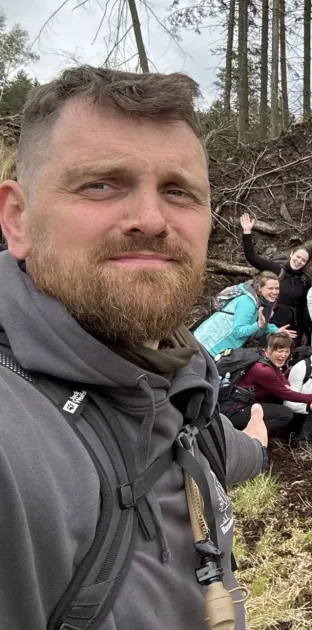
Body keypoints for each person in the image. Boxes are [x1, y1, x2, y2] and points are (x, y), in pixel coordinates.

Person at [0, 66, 266, 629]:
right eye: (101, 184)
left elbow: (195, 441)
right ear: (17, 219)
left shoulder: (179, 384)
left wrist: (258, 449)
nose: (150, 219)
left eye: (178, 192)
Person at [226, 334, 312, 435]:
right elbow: (286, 394)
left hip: (244, 403)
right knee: (285, 414)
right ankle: (249, 435)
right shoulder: (263, 370)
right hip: (235, 410)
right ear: (270, 350)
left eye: (286, 351)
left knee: (278, 402)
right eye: (279, 351)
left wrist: (286, 386)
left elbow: (282, 379)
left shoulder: (266, 359)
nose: (283, 355)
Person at [240, 212, 312, 341]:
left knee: (289, 356)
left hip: (293, 327)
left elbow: (303, 307)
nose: (299, 261)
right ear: (291, 254)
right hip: (272, 322)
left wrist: (304, 331)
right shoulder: (277, 270)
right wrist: (247, 232)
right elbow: (252, 257)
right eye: (298, 257)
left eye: (303, 260)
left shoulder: (305, 281)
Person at [202, 270, 297, 355]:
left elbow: (258, 325)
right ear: (260, 288)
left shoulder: (262, 303)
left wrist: (275, 330)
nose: (275, 292)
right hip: (209, 346)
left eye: (277, 288)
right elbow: (237, 332)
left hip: (215, 346)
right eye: (270, 288)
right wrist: (257, 326)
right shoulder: (248, 302)